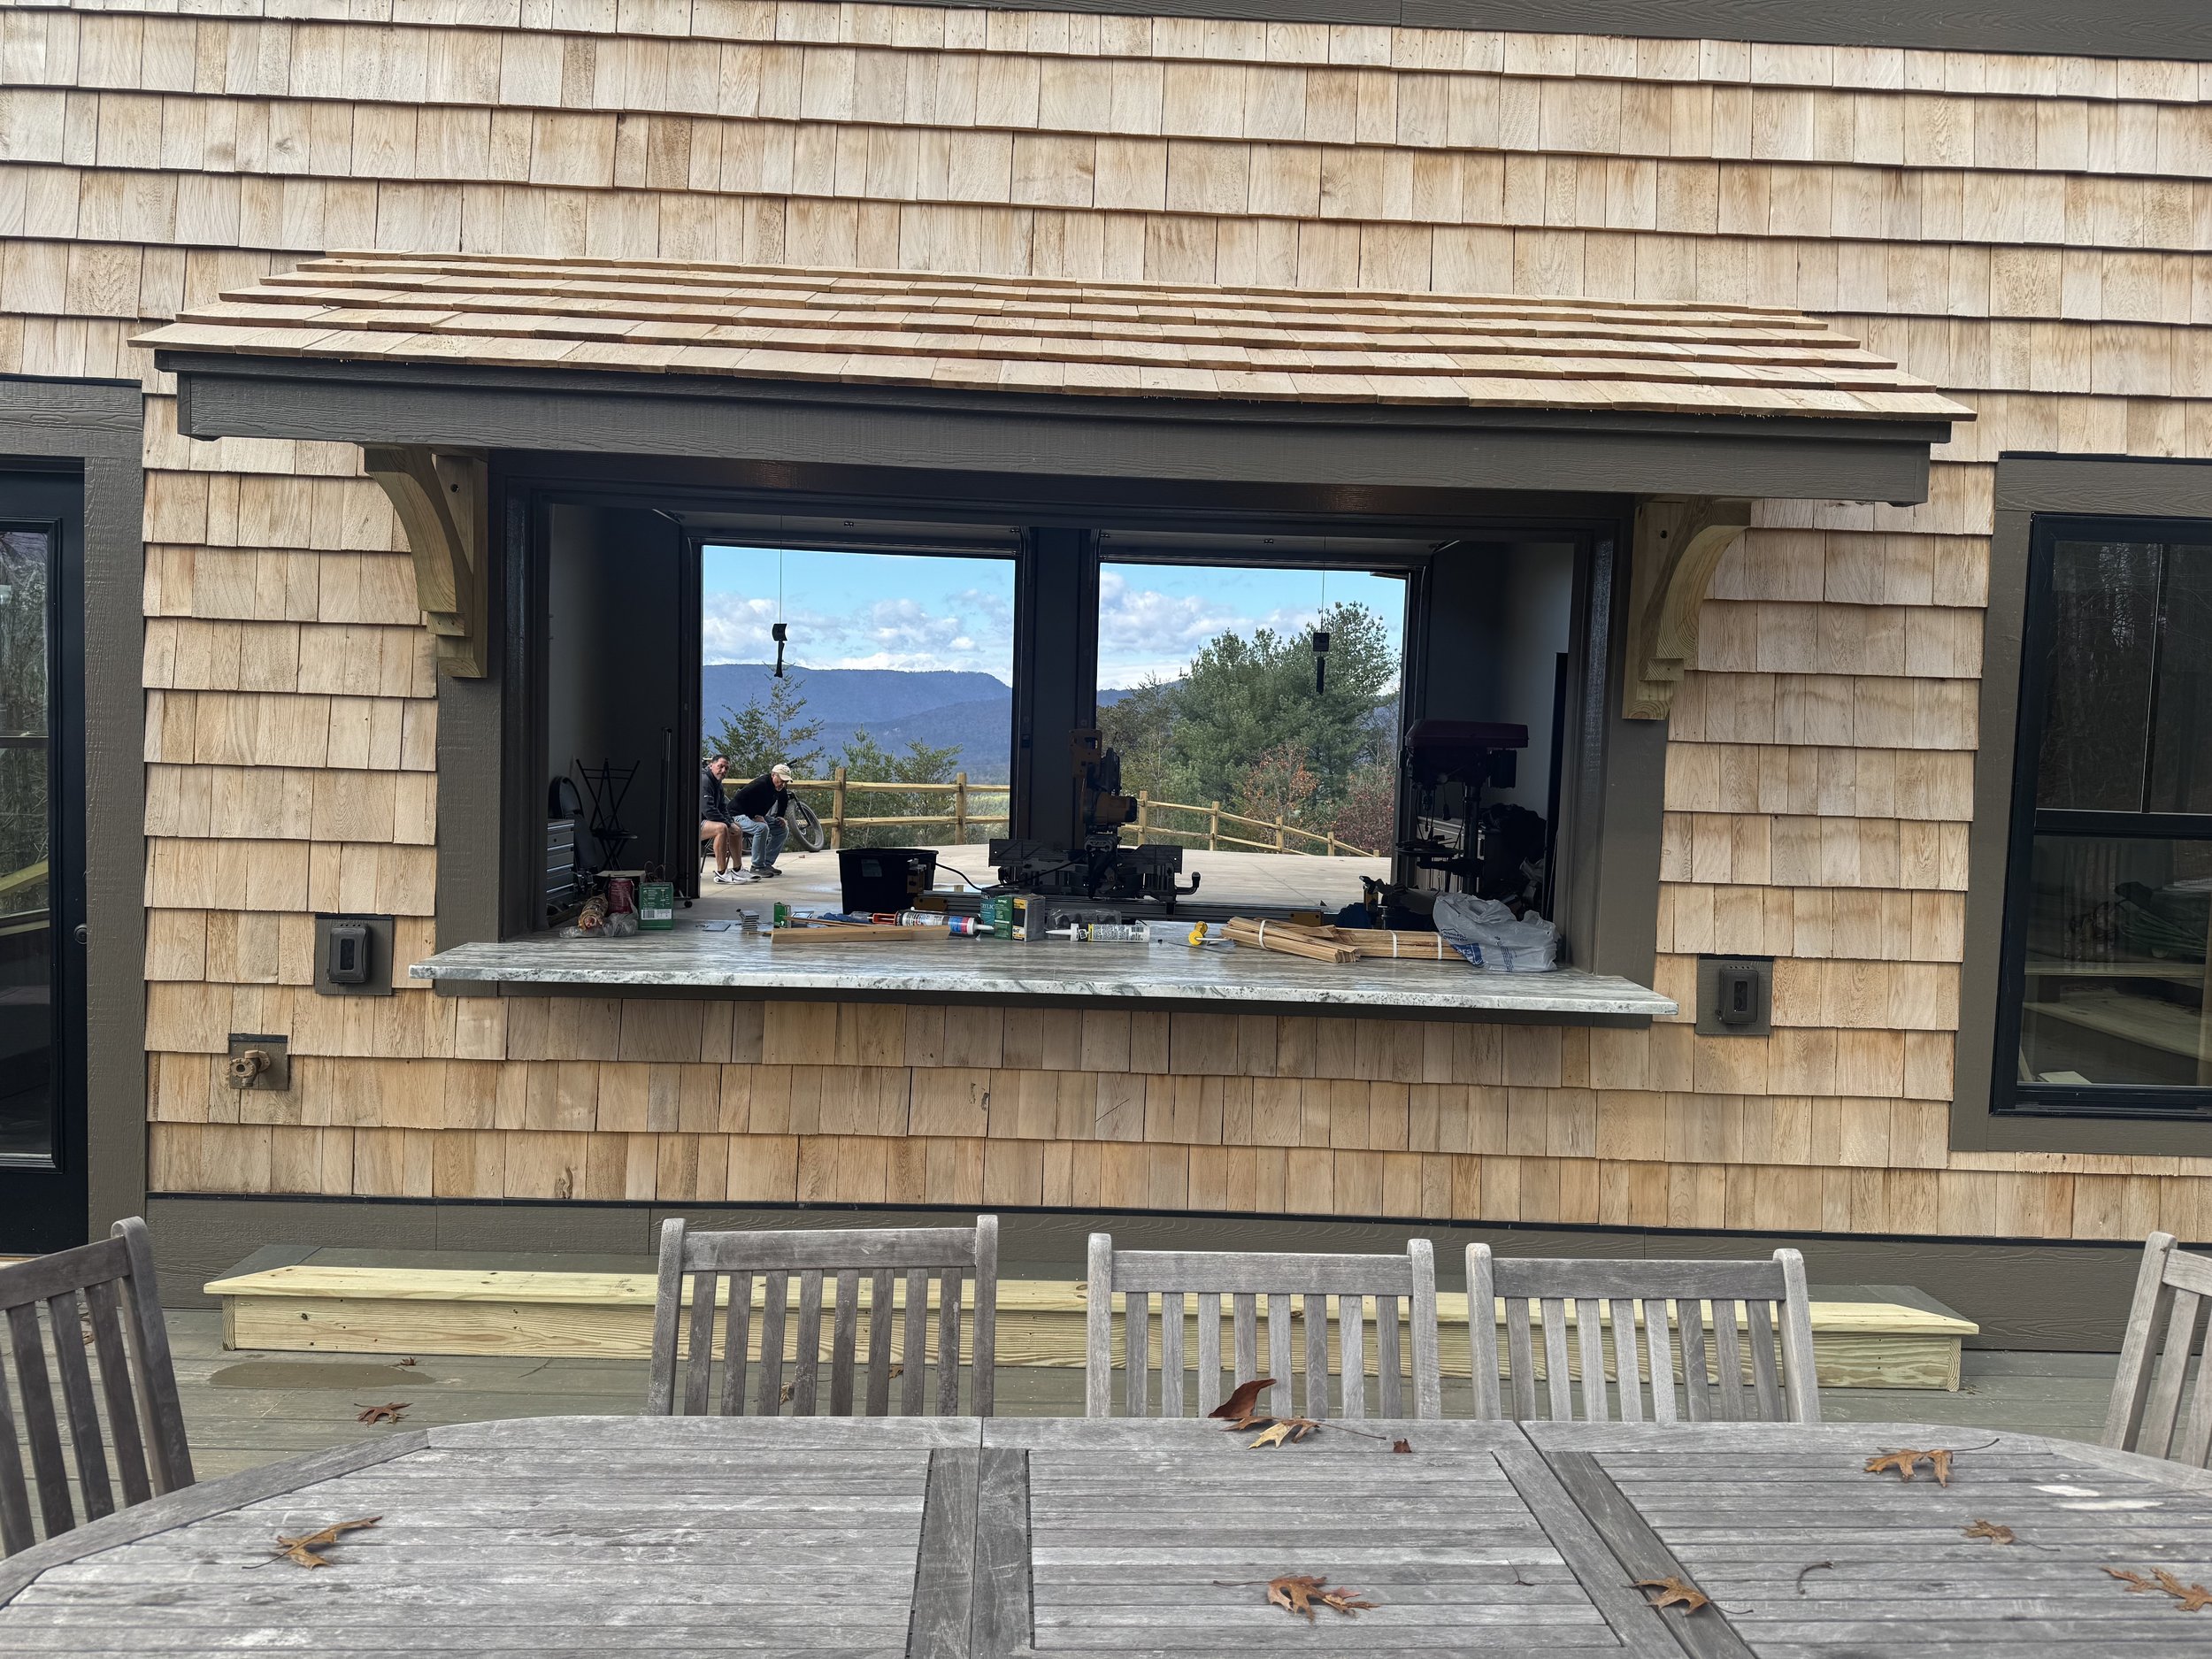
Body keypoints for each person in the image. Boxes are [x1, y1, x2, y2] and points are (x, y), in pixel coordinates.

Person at [728, 762, 794, 877]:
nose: (783, 784)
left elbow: (783, 801)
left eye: (785, 781)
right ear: (773, 775)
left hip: (756, 815)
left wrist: (780, 817)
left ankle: (766, 863)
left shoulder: (780, 787)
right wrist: (753, 816)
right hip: (736, 815)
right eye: (781, 780)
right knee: (761, 828)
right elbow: (740, 798)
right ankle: (757, 866)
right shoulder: (760, 784)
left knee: (782, 830)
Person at [699, 756, 749, 885]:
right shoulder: (705, 780)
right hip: (692, 823)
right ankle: (721, 873)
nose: (723, 770)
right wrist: (727, 824)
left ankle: (737, 869)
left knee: (736, 827)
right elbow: (708, 810)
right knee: (721, 828)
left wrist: (731, 823)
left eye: (726, 768)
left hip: (706, 822)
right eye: (720, 766)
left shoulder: (718, 784)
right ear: (711, 765)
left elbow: (723, 808)